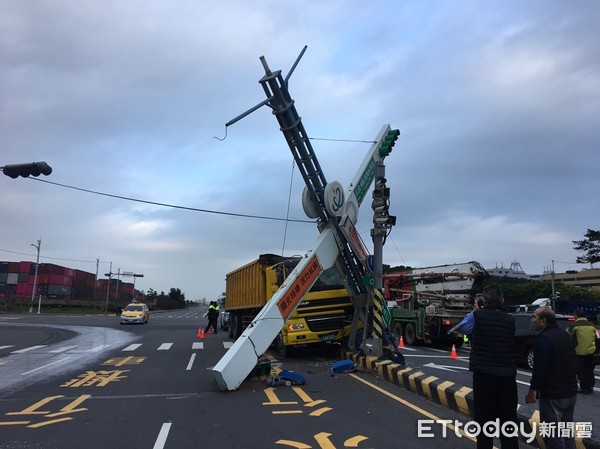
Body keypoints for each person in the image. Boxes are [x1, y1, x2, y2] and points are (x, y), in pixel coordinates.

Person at [450, 284, 518, 449]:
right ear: (502, 300)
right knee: (508, 422)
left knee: (484, 422)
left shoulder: (477, 316)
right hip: (507, 376)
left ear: (484, 300)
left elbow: (460, 328)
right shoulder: (511, 319)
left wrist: (475, 311)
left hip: (484, 376)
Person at [526, 307, 577, 449]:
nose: (532, 320)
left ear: (543, 321)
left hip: (553, 395)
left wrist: (533, 389)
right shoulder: (565, 335)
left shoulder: (544, 339)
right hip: (570, 393)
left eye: (534, 317)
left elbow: (539, 369)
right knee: (566, 433)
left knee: (552, 435)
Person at [569, 308, 596, 394]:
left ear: (576, 315)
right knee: (589, 369)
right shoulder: (592, 325)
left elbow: (569, 336)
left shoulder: (575, 325)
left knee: (581, 370)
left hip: (580, 351)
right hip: (591, 351)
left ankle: (584, 388)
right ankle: (591, 386)